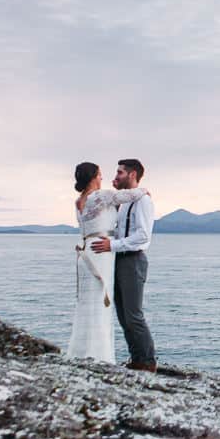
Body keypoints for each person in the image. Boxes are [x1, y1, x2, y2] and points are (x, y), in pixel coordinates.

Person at [65, 161, 149, 363]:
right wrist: (145, 189)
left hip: (85, 254)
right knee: (101, 304)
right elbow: (134, 194)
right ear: (94, 176)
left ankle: (82, 351)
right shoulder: (103, 196)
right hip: (101, 252)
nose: (103, 178)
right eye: (101, 174)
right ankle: (99, 355)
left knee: (87, 304)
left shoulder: (79, 201)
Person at [89, 158, 157, 372]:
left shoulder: (143, 201)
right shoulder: (125, 201)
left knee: (134, 315)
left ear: (132, 174)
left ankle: (147, 362)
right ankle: (136, 359)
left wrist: (113, 245)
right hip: (118, 259)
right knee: (122, 314)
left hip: (133, 259)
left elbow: (143, 236)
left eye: (119, 173)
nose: (115, 176)